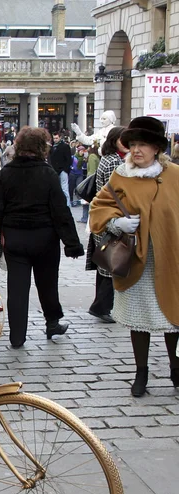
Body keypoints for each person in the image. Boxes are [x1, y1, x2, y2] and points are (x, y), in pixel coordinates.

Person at [90, 116, 179, 398]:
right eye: (132, 145)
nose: (136, 150)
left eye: (142, 145)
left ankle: (176, 369)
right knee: (140, 319)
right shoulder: (120, 176)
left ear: (156, 149)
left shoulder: (175, 175)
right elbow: (98, 207)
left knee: (172, 318)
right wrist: (116, 224)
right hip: (136, 260)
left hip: (170, 259)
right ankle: (141, 373)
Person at [0, 126, 84, 348]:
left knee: (17, 288)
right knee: (47, 283)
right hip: (44, 239)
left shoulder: (6, 173)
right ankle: (52, 323)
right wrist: (72, 244)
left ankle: (17, 336)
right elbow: (61, 211)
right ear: (42, 148)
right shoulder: (48, 174)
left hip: (15, 238)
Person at [86, 126, 127, 324]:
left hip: (105, 215)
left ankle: (102, 305)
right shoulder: (113, 161)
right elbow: (115, 191)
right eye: (123, 139)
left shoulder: (111, 159)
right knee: (112, 261)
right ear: (114, 140)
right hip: (109, 216)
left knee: (106, 262)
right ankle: (102, 306)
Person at [49, 131, 73, 207]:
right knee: (56, 188)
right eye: (54, 138)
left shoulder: (65, 146)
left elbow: (68, 159)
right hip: (54, 170)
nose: (55, 140)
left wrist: (65, 170)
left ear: (60, 137)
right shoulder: (52, 147)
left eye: (56, 138)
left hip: (62, 170)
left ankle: (67, 205)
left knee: (64, 189)